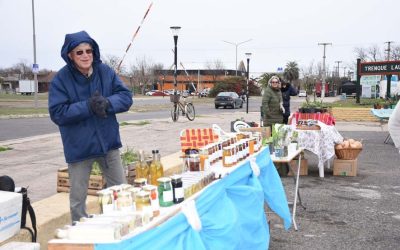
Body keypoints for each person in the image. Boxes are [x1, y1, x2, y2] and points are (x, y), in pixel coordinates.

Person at [48, 31, 133, 222]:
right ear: (70, 55)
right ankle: (80, 233)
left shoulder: (106, 72)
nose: (85, 55)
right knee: (78, 199)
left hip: (108, 144)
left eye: (89, 51)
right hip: (79, 148)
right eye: (79, 52)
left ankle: (120, 225)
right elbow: (58, 113)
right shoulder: (60, 79)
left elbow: (126, 97)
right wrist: (87, 106)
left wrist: (107, 103)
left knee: (121, 190)